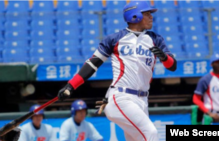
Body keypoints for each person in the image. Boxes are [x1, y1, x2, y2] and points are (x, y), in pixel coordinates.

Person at [57, 0, 177, 140]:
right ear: (134, 15)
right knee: (151, 133)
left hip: (142, 100)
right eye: (147, 13)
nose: (151, 16)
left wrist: (164, 57)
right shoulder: (115, 39)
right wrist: (71, 85)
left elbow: (173, 66)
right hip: (121, 97)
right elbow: (92, 64)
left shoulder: (155, 39)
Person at [193, 53, 219, 122]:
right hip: (211, 115)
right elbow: (195, 99)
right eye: (217, 62)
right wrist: (209, 113)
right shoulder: (205, 79)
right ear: (211, 64)